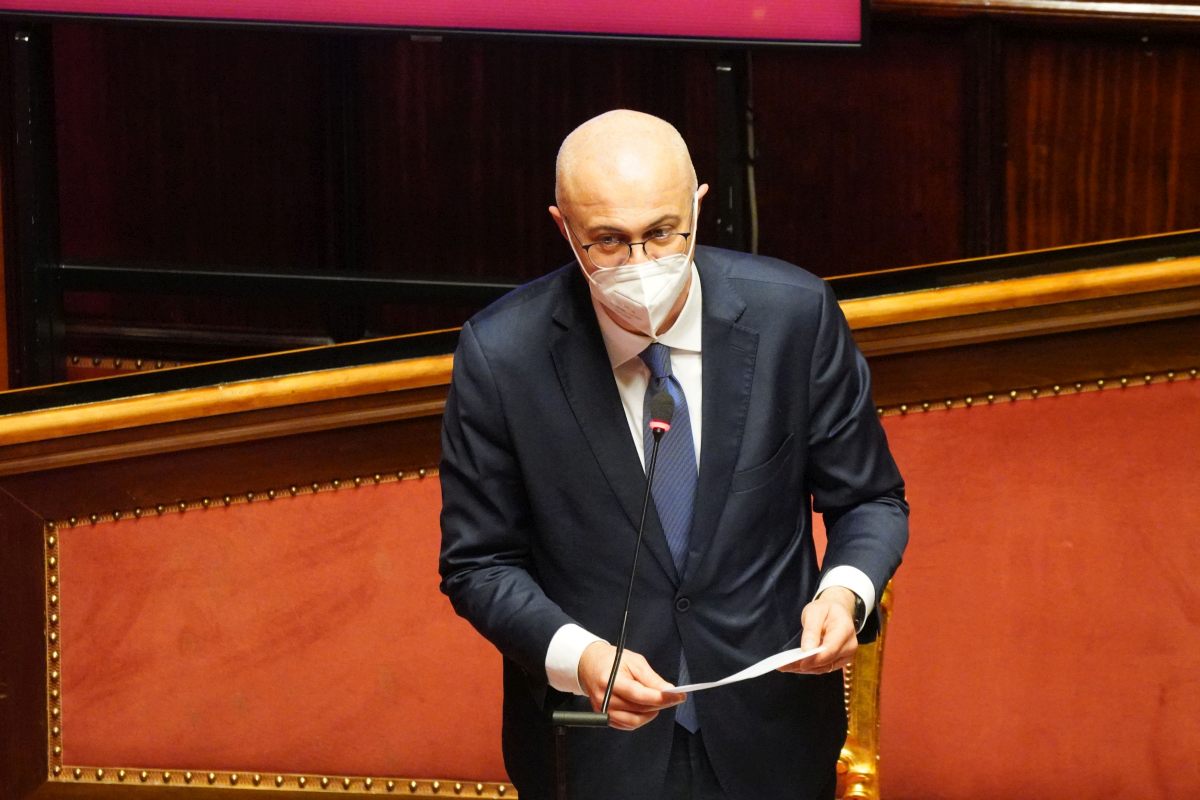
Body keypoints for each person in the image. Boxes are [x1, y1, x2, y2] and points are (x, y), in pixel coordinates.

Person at [439, 110, 908, 800]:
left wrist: (844, 593)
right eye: (608, 241)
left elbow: (869, 499)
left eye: (662, 232)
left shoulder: (795, 318)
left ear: (697, 206)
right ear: (564, 229)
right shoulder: (502, 356)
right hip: (597, 749)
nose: (641, 265)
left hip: (772, 732)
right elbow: (478, 564)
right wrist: (579, 656)